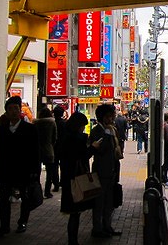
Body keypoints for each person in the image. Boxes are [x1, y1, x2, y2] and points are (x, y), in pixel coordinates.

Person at [0, 96, 40, 238]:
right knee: (3, 197)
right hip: (5, 170)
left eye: (16, 108)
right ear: (6, 111)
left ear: (20, 111)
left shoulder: (30, 129)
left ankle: (22, 222)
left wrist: (35, 171)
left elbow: (35, 152)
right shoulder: (1, 130)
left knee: (25, 197)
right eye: (10, 109)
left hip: (24, 170)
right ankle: (4, 225)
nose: (13, 111)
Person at [60, 112, 102, 245]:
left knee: (74, 212)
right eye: (82, 126)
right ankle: (73, 241)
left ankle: (73, 240)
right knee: (75, 212)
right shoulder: (75, 139)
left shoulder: (65, 136)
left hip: (68, 177)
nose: (83, 129)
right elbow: (82, 156)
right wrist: (93, 148)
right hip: (76, 178)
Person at [88, 104, 121, 238]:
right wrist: (107, 135)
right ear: (103, 117)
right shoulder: (97, 131)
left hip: (110, 170)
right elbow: (101, 149)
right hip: (101, 171)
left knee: (109, 201)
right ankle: (97, 229)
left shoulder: (111, 129)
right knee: (99, 202)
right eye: (109, 116)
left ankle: (107, 226)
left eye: (112, 115)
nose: (112, 118)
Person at [33, 106, 57, 198]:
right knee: (49, 173)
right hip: (48, 150)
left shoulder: (35, 124)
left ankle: (37, 192)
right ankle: (47, 192)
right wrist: (51, 145)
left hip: (37, 150)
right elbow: (55, 137)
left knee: (37, 173)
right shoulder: (52, 123)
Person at [52, 105, 67, 192]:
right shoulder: (65, 123)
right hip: (64, 148)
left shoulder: (53, 123)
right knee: (63, 166)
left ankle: (56, 184)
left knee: (54, 167)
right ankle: (63, 182)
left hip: (54, 147)